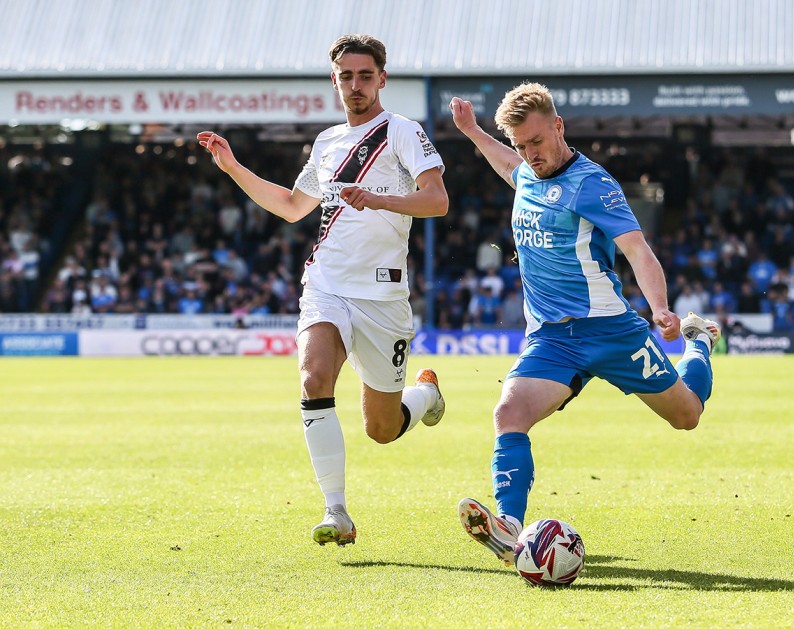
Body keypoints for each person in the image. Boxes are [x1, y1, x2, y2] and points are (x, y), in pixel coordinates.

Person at [448, 84, 720, 566]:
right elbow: (507, 164)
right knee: (509, 414)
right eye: (521, 145)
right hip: (552, 339)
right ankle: (510, 528)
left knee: (687, 415)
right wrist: (472, 132)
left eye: (537, 141)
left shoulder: (592, 184)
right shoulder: (527, 171)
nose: (530, 155)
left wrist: (659, 308)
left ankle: (699, 343)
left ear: (559, 126)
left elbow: (637, 248)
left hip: (611, 332)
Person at [197, 34, 448, 548]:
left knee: (381, 427)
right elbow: (292, 205)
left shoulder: (401, 132)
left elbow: (437, 201)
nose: (355, 85)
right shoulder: (327, 142)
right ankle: (336, 511)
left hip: (382, 299)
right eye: (345, 76)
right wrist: (233, 167)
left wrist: (377, 198)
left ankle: (423, 397)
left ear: (382, 77)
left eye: (364, 75)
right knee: (314, 378)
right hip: (326, 284)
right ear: (334, 81)